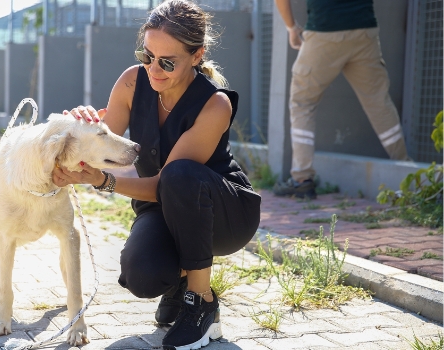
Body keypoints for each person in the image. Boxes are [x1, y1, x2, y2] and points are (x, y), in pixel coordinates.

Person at [52, 1, 261, 348]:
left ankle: (201, 302)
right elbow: (100, 151)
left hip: (225, 214)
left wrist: (104, 183)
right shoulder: (132, 83)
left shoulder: (215, 104)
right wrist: (78, 126)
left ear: (197, 55)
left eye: (168, 62)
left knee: (179, 174)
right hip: (163, 208)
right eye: (147, 56)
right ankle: (179, 281)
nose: (154, 69)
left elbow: (166, 184)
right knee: (141, 276)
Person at [272, 0, 410, 199]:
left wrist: (292, 28)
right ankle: (407, 169)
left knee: (302, 102)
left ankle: (302, 179)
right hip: (364, 28)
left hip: (324, 29)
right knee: (378, 102)